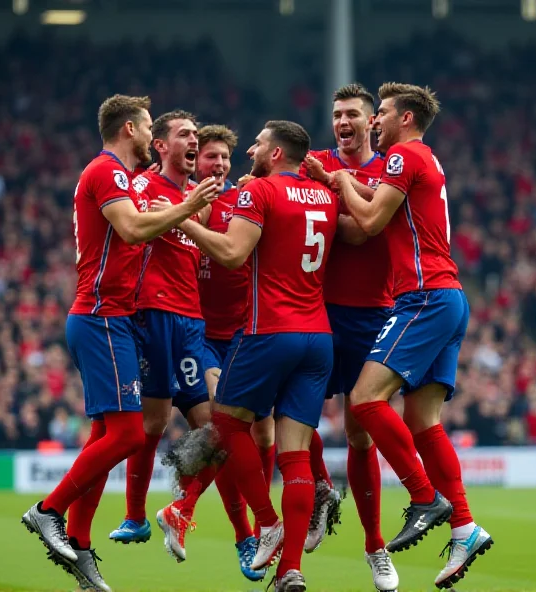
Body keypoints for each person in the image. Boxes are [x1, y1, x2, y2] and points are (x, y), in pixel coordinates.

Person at [21, 95, 219, 592]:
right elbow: (131, 228)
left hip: (117, 319)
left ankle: (83, 548)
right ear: (130, 129)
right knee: (131, 435)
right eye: (149, 125)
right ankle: (49, 512)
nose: (152, 134)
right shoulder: (107, 171)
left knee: (106, 436)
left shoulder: (124, 178)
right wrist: (189, 206)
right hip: (102, 315)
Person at [334, 82, 493, 590]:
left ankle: (424, 497)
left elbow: (372, 221)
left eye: (379, 113)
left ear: (405, 118)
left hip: (422, 296)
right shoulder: (427, 158)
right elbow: (379, 207)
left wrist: (339, 182)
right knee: (424, 422)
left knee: (363, 400)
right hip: (449, 297)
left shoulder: (403, 156)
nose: (374, 122)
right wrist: (341, 179)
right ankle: (464, 525)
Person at [179, 120, 339, 592]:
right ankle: (291, 569)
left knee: (226, 425)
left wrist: (182, 217)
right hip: (318, 337)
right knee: (293, 460)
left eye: (258, 143)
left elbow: (230, 254)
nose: (249, 148)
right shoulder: (325, 197)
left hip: (268, 330)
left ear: (274, 154)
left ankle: (264, 523)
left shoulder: (260, 193)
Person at [108, 110, 220, 561]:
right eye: (184, 135)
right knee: (151, 424)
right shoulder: (141, 186)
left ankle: (181, 506)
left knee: (217, 431)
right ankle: (135, 517)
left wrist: (187, 210)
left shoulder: (201, 200)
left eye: (197, 135)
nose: (193, 141)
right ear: (161, 145)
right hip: (151, 313)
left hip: (191, 322)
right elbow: (129, 232)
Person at [302, 83, 398, 591]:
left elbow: (364, 232)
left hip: (372, 313)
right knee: (290, 417)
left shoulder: (388, 170)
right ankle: (320, 491)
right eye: (337, 114)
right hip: (316, 309)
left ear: (370, 123)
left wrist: (334, 194)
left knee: (361, 431)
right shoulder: (312, 163)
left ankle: (375, 546)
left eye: (353, 115)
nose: (343, 121)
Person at [194, 124, 273, 582]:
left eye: (225, 157)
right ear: (195, 160)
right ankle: (248, 533)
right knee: (224, 430)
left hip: (248, 332)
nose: (220, 165)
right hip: (203, 337)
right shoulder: (180, 204)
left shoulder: (244, 201)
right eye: (210, 157)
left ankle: (262, 527)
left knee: (262, 439)